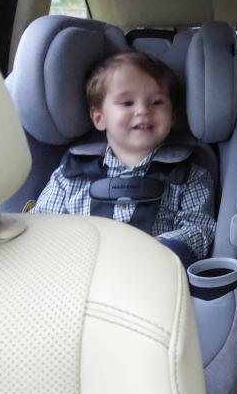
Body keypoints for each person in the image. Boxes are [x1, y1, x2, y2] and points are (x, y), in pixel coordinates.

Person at [31, 51, 215, 267]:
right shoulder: (70, 175)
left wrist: (156, 248)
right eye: (127, 103)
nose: (143, 111)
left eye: (156, 102)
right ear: (99, 118)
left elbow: (199, 229)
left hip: (153, 278)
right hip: (80, 278)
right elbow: (42, 226)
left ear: (172, 116)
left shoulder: (189, 176)